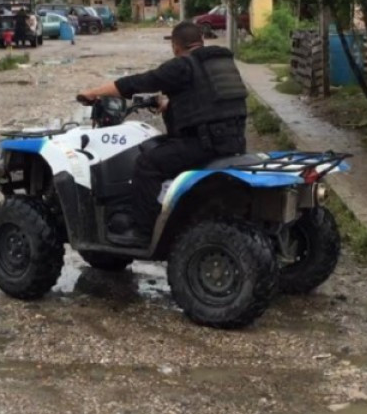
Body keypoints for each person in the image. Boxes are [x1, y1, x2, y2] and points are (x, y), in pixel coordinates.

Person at [77, 21, 248, 247]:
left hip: (203, 144)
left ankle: (143, 231)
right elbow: (207, 101)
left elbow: (138, 82)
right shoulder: (219, 63)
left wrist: (92, 92)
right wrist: (169, 104)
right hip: (233, 140)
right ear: (201, 41)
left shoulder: (182, 66)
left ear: (176, 47)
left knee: (147, 163)